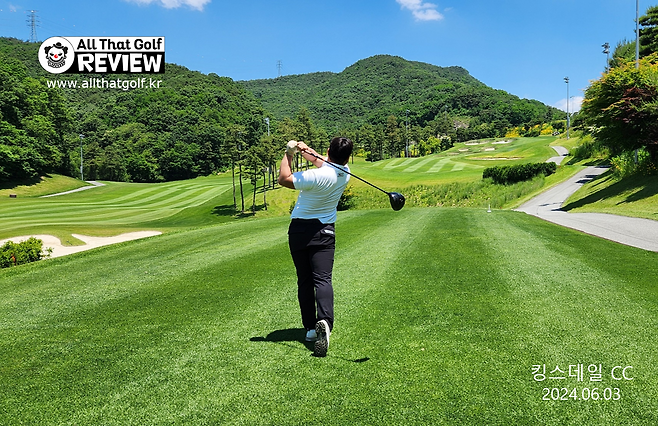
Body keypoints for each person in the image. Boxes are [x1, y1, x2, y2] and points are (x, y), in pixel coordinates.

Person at [278, 137, 353, 357]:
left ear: (328, 151)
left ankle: (311, 329)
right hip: (325, 232)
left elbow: (284, 178)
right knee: (323, 280)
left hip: (299, 232)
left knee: (305, 280)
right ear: (347, 157)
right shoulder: (345, 172)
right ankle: (325, 322)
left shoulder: (316, 176)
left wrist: (289, 153)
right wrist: (304, 149)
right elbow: (322, 161)